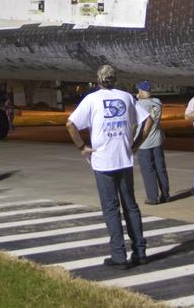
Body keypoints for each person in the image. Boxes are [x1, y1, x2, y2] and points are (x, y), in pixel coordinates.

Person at [65, 64, 148, 269]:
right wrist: (135, 145)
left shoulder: (92, 99)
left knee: (111, 209)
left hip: (103, 162)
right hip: (124, 159)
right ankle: (140, 252)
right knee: (131, 206)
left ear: (99, 80)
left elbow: (70, 124)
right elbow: (148, 120)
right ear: (115, 79)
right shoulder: (127, 97)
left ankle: (119, 257)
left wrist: (82, 147)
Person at [134, 81, 169, 204]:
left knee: (148, 170)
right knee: (161, 168)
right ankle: (165, 194)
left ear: (143, 91)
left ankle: (152, 197)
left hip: (144, 142)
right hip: (157, 140)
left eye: (139, 91)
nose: (137, 93)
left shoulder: (139, 105)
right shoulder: (158, 102)